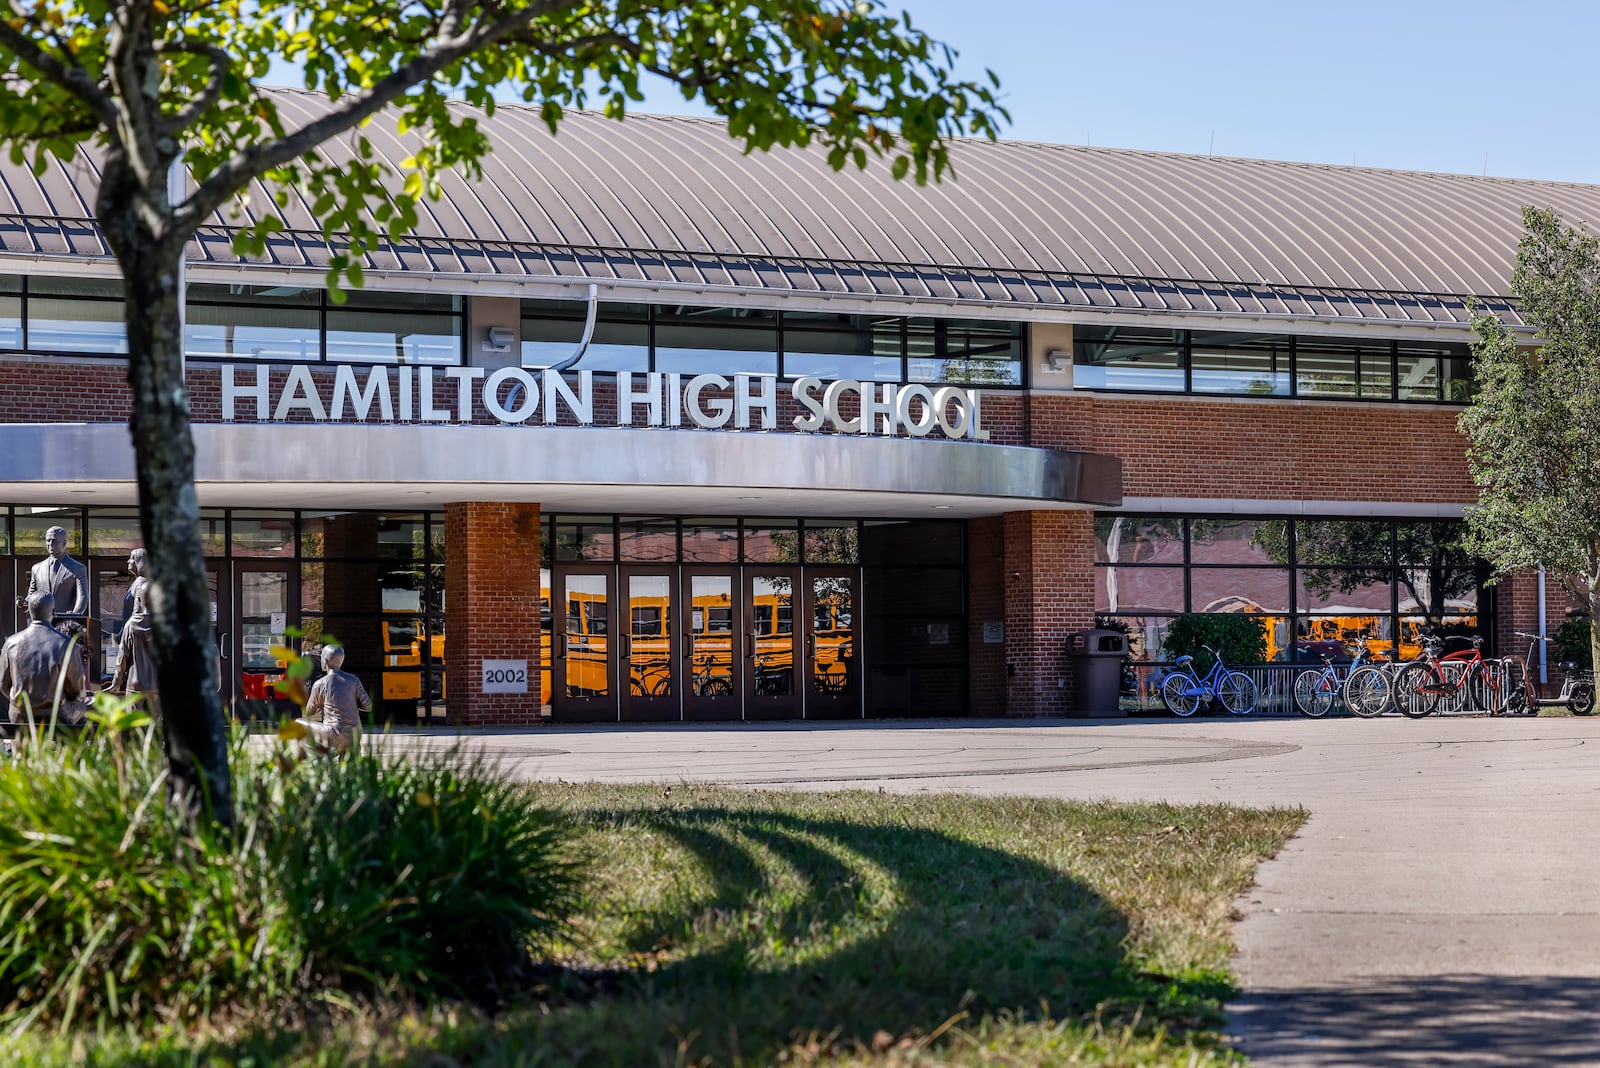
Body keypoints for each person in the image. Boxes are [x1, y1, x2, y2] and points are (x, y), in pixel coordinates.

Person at [0, 591, 88, 729]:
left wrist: (20, 702)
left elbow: (4, 685)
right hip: (56, 715)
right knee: (87, 706)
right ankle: (72, 748)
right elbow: (77, 691)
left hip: (20, 715)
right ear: (52, 611)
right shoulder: (66, 643)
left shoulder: (11, 643)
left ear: (29, 611)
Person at [110, 548, 159, 717]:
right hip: (157, 685)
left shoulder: (131, 624)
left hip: (135, 682)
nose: (128, 562)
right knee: (156, 729)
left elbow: (122, 658)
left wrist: (115, 683)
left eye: (131, 558)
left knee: (134, 728)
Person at [296, 645, 370, 755]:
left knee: (298, 723)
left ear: (324, 661)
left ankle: (316, 758)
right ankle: (346, 756)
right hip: (355, 735)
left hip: (334, 735)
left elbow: (308, 712)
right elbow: (368, 706)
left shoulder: (320, 684)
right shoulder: (354, 680)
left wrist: (321, 704)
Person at [20, 526, 89, 618]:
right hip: (42, 623)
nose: (50, 544)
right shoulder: (37, 568)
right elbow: (32, 596)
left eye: (54, 541)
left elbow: (82, 596)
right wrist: (24, 602)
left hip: (64, 623)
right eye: (48, 540)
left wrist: (74, 616)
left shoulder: (78, 568)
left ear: (64, 543)